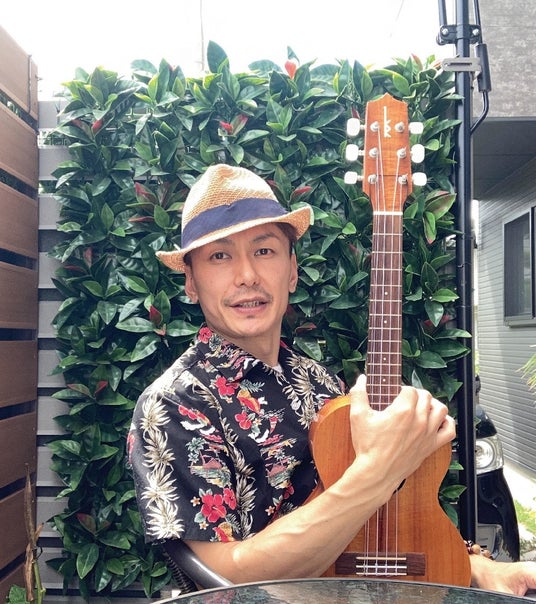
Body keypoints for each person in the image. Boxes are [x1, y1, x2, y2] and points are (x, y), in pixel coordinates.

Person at [128, 164, 536, 596]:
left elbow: (383, 519)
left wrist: (473, 566)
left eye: (264, 250)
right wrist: (378, 470)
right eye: (219, 256)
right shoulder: (174, 404)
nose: (246, 275)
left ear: (292, 271)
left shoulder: (317, 381)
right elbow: (226, 581)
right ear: (191, 282)